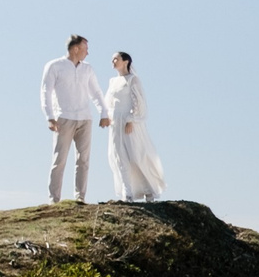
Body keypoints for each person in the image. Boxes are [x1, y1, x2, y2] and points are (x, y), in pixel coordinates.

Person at [40, 34, 110, 203]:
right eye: (86, 49)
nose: (88, 53)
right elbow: (45, 92)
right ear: (76, 48)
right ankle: (54, 199)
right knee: (60, 160)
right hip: (63, 118)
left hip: (85, 119)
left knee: (83, 160)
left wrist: (104, 113)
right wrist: (49, 116)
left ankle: (80, 197)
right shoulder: (55, 66)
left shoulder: (88, 69)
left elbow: (96, 92)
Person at [105, 51, 168, 202]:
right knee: (119, 157)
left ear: (125, 61)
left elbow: (139, 104)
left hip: (129, 123)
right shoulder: (112, 81)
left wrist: (131, 119)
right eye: (112, 59)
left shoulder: (133, 80)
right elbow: (108, 102)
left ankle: (149, 191)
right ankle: (127, 193)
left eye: (116, 59)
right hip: (115, 123)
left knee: (135, 156)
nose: (113, 61)